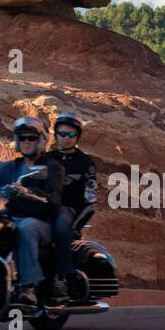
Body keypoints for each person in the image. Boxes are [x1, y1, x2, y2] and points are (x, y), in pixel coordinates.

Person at [0, 117, 64, 310]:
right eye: (22, 138)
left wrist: (30, 193)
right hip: (13, 215)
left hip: (42, 222)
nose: (26, 141)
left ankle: (28, 288)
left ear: (41, 140)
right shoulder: (12, 167)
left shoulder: (52, 167)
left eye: (31, 138)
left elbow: (53, 199)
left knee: (25, 228)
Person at [46, 111, 98, 303]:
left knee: (61, 225)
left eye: (70, 135)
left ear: (77, 137)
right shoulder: (46, 158)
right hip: (43, 208)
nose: (65, 139)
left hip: (68, 210)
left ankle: (62, 278)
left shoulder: (85, 163)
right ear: (56, 135)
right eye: (62, 134)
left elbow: (91, 200)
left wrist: (75, 226)